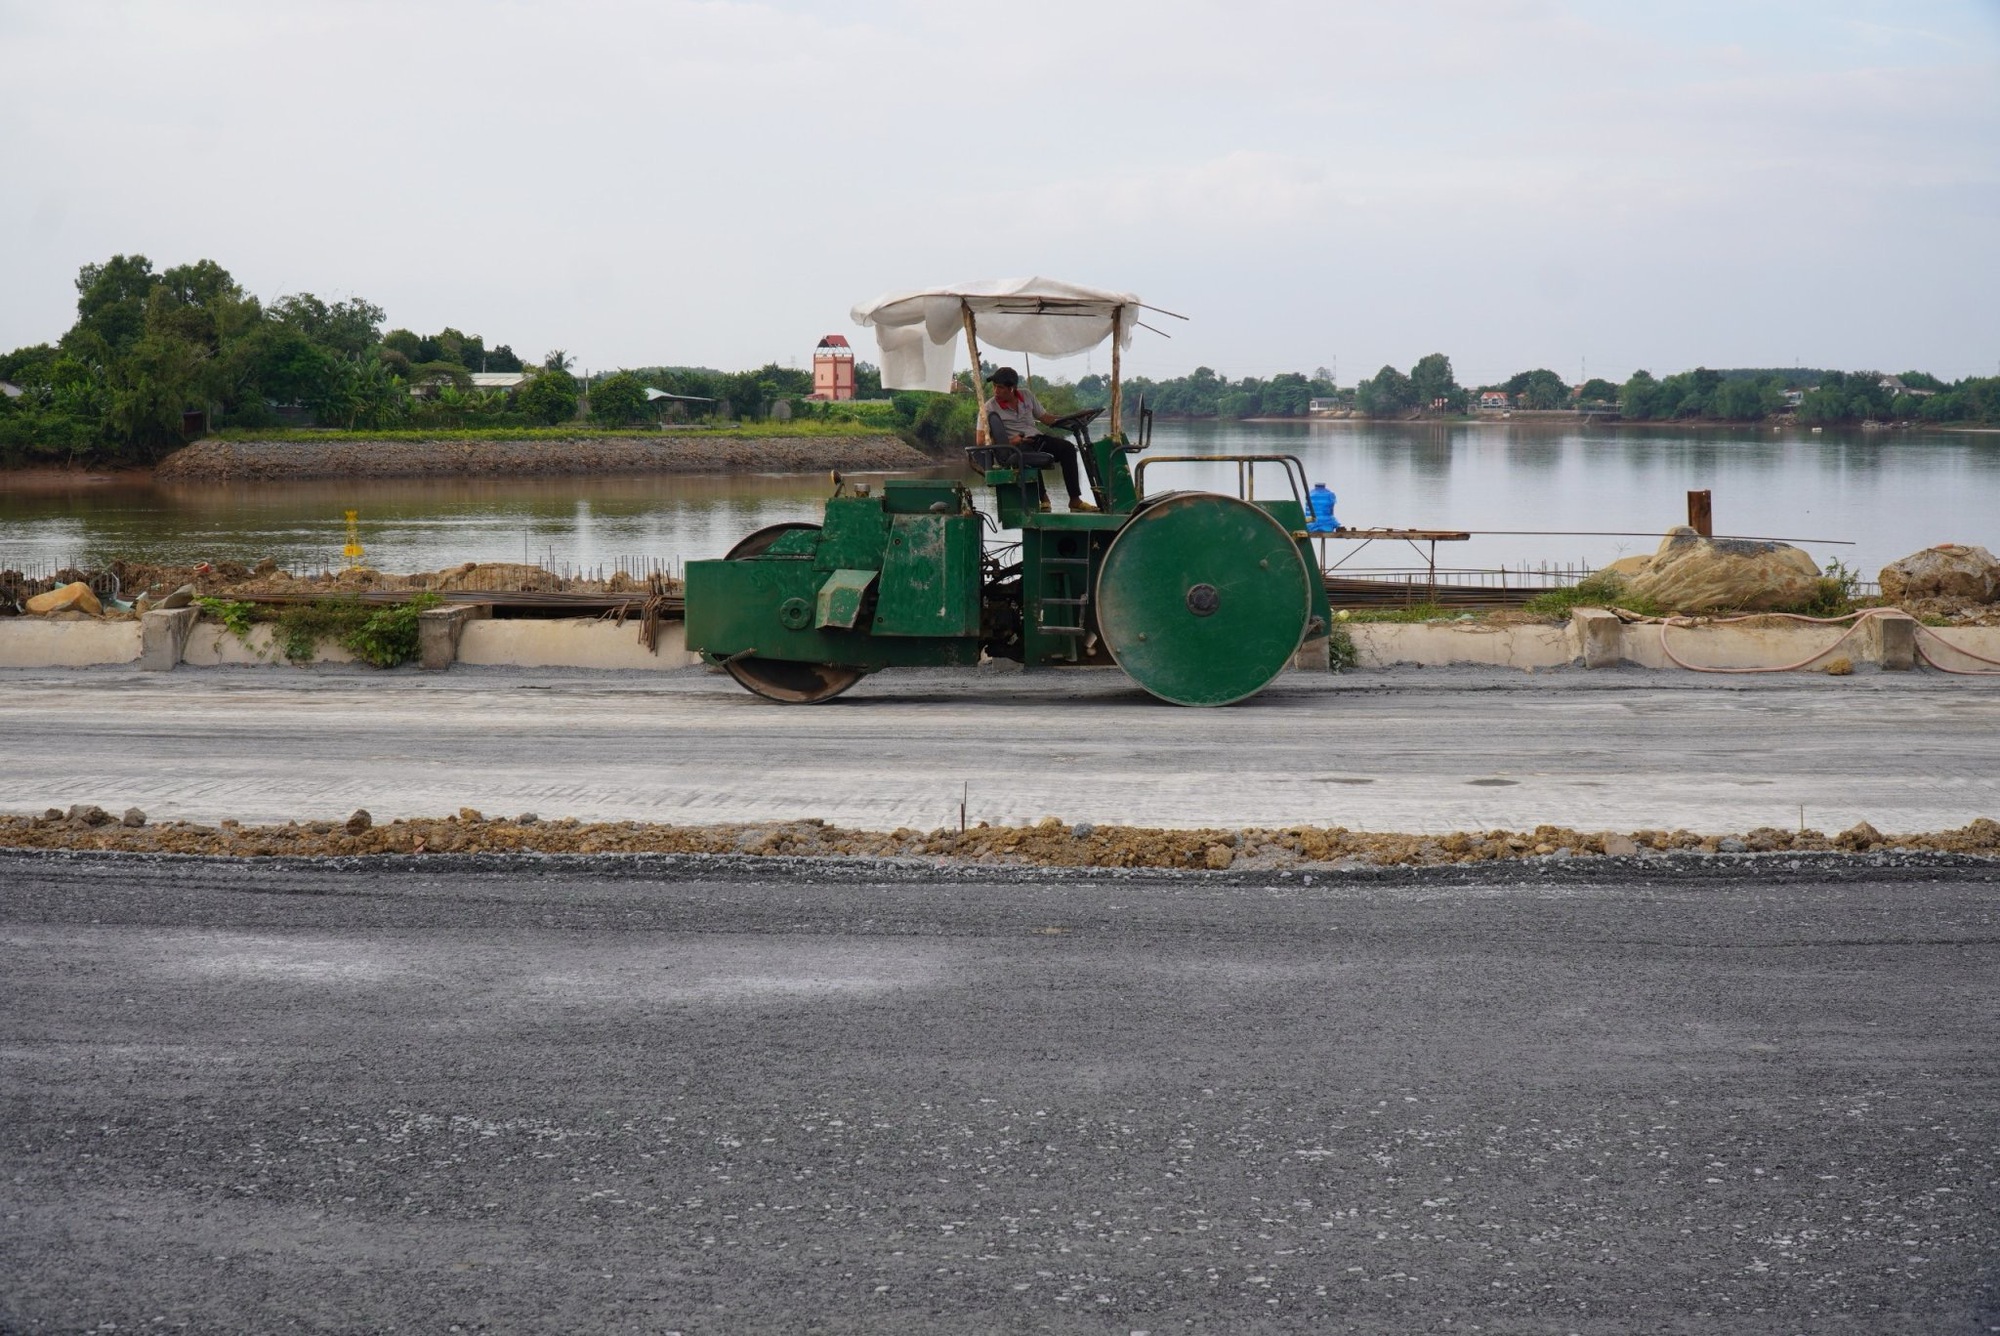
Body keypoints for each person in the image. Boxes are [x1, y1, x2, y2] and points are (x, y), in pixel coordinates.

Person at [982, 367, 1097, 512]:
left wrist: (1073, 418)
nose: (995, 391)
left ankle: (1075, 500)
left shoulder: (1027, 395)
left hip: (1036, 439)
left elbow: (1046, 418)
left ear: (1012, 388)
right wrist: (1012, 442)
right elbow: (981, 440)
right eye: (994, 386)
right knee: (1027, 454)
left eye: (1000, 387)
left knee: (1068, 448)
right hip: (1015, 447)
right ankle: (1043, 499)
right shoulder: (989, 407)